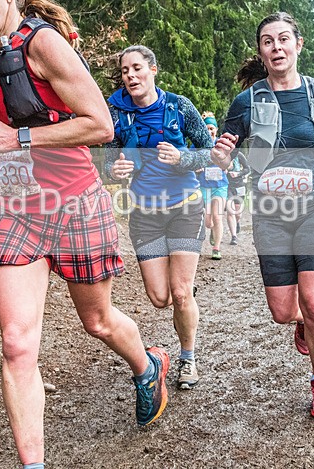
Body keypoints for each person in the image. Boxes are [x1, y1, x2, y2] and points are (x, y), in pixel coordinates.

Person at [0, 0, 169, 467]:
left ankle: (146, 365)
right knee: (18, 346)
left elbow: (100, 125)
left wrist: (15, 140)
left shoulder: (43, 45)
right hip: (17, 210)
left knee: (99, 322)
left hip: (74, 206)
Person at [210, 12, 314, 419]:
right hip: (270, 212)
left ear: (298, 45)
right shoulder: (247, 101)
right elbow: (226, 151)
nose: (276, 47)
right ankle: (302, 322)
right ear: (261, 51)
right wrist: (222, 153)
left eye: (283, 39)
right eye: (268, 41)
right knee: (284, 311)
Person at [106, 45, 213, 390]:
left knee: (180, 294)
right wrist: (114, 168)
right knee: (160, 298)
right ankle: (184, 294)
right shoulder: (116, 112)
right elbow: (104, 159)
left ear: (153, 70)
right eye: (125, 71)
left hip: (185, 207)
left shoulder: (178, 106)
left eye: (137, 68)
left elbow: (208, 153)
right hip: (145, 213)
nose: (131, 76)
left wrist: (182, 158)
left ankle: (187, 358)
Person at [197, 114, 229, 260]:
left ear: (216, 129)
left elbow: (230, 161)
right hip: (205, 185)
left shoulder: (221, 145)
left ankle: (216, 248)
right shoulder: (198, 145)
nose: (210, 131)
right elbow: (189, 160)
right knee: (208, 221)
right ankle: (212, 232)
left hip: (220, 186)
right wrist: (196, 168)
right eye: (207, 128)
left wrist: (227, 166)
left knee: (217, 216)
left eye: (212, 128)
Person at [225, 150, 250, 245]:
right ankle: (234, 236)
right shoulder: (224, 155)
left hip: (239, 185)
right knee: (230, 210)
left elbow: (247, 169)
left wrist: (238, 173)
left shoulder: (240, 155)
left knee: (237, 213)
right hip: (227, 186)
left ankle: (237, 221)